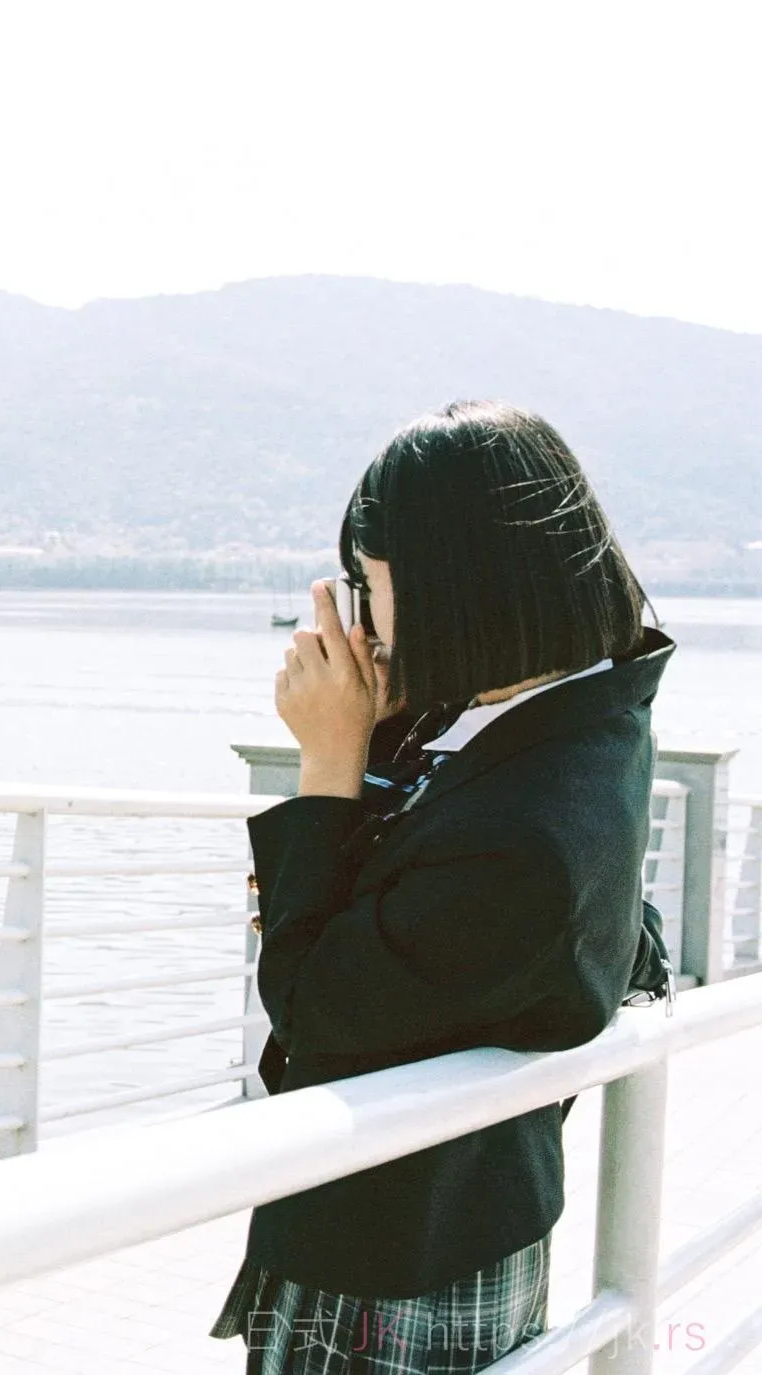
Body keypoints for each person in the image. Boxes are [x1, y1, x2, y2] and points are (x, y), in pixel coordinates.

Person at [209, 401, 673, 1373]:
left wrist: (328, 761)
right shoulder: (576, 713)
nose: (359, 623)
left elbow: (312, 1002)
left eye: (368, 587)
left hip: (397, 1246)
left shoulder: (520, 831)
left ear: (449, 589)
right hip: (456, 1209)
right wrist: (380, 728)